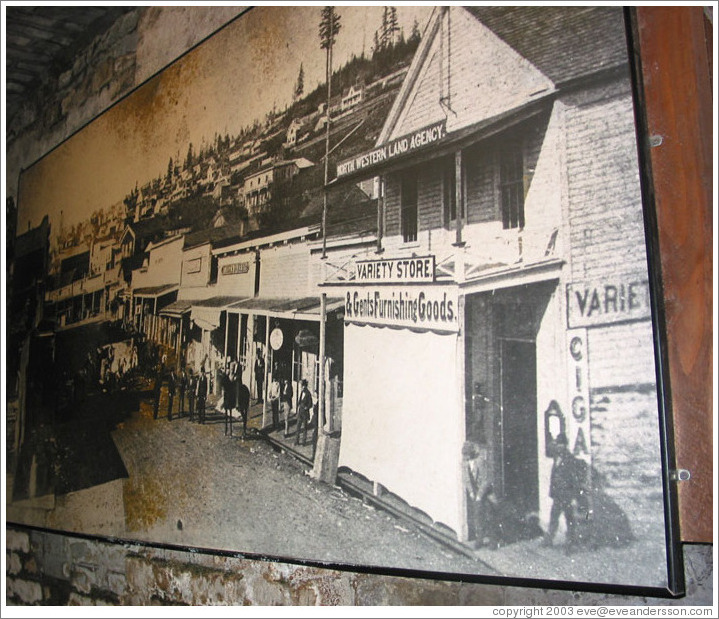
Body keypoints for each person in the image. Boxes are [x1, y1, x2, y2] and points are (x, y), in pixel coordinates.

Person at [542, 432, 584, 552]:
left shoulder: (570, 459)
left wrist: (574, 496)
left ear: (565, 445)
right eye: (558, 444)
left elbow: (574, 480)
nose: (559, 447)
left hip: (567, 494)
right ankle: (548, 540)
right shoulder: (557, 458)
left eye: (561, 444)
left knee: (569, 518)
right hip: (557, 495)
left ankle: (571, 541)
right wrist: (552, 492)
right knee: (553, 517)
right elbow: (553, 476)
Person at [295, 379, 313, 447]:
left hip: (305, 413)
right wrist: (299, 405)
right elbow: (300, 401)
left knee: (305, 428)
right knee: (298, 427)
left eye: (302, 385)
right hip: (300, 412)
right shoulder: (302, 392)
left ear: (304, 385)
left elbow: (310, 404)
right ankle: (297, 441)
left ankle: (304, 442)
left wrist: (306, 407)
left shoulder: (308, 393)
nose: (301, 387)